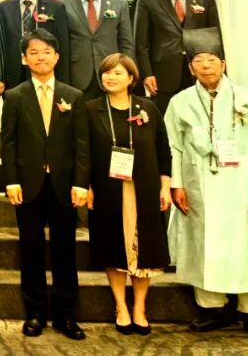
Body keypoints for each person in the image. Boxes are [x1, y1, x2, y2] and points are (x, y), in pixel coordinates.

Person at [165, 28, 248, 344]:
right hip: (198, 185)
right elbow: (173, 146)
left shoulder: (246, 99)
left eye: (212, 60)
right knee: (203, 244)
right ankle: (212, 308)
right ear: (191, 68)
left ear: (224, 64)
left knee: (247, 247)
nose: (206, 66)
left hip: (242, 185)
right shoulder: (180, 102)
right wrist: (177, 185)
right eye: (199, 61)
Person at [1, 28, 89, 340]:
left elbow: (81, 145)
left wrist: (81, 183)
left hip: (64, 184)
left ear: (57, 56)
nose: (41, 57)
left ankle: (66, 315)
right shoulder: (14, 96)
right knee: (31, 249)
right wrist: (11, 180)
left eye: (46, 52)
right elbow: (8, 143)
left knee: (65, 250)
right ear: (24, 59)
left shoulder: (73, 96)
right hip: (28, 184)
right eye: (34, 53)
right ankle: (35, 313)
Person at [84, 53, 170, 336]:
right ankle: (121, 306)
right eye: (107, 72)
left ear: (131, 78)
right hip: (107, 189)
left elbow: (164, 150)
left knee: (144, 249)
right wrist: (87, 186)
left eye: (118, 73)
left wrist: (165, 185)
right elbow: (84, 153)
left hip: (144, 189)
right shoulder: (91, 109)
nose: (111, 77)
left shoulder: (148, 108)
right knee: (112, 245)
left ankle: (140, 308)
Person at [134, 0, 222, 113]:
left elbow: (216, 38)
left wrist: (219, 71)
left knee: (203, 115)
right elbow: (141, 43)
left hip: (199, 70)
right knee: (168, 118)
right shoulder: (147, 0)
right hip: (163, 73)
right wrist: (147, 74)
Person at [62, 0, 134, 99]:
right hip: (78, 74)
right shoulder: (63, 5)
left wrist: (128, 71)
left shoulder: (118, 4)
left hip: (112, 71)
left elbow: (126, 42)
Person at [0, 0, 70, 88]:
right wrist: (0, 76)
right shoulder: (3, 8)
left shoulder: (56, 7)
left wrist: (63, 81)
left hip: (44, 70)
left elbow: (63, 46)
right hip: (13, 73)